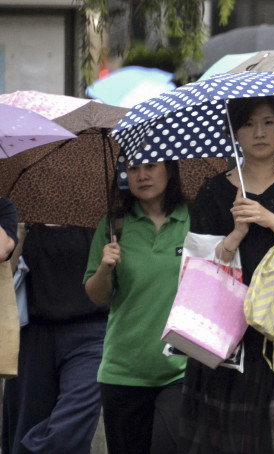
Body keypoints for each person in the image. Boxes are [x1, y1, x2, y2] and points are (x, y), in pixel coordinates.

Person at [177, 95, 274, 453]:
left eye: (268, 122)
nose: (259, 132)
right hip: (227, 337)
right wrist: (234, 236)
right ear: (234, 132)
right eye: (247, 124)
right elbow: (198, 268)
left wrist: (273, 221)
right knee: (229, 443)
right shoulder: (213, 191)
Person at [84, 160, 189, 454]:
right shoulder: (112, 225)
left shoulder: (193, 219)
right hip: (123, 370)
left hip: (180, 368)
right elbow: (96, 295)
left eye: (151, 166)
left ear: (170, 170)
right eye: (132, 169)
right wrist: (105, 268)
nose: (141, 175)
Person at [2, 220, 107, 454]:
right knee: (25, 425)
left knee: (71, 426)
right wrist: (16, 235)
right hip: (32, 334)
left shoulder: (101, 213)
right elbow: (5, 277)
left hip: (92, 331)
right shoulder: (21, 214)